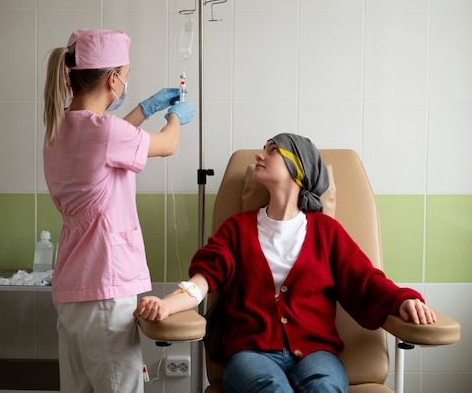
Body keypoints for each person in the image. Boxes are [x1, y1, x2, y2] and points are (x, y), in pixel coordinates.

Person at [134, 133, 437, 393]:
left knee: (325, 387)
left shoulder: (326, 232)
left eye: (271, 150)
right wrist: (168, 304)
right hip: (250, 352)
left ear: (298, 168)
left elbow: (365, 281)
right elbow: (202, 282)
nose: (259, 155)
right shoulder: (236, 229)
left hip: (316, 353)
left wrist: (403, 300)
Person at [42, 29, 195, 393]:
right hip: (105, 290)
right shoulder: (105, 133)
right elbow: (168, 144)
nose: (125, 82)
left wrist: (144, 109)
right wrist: (175, 116)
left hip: (72, 289)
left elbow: (106, 144)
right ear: (113, 80)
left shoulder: (60, 126)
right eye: (124, 75)